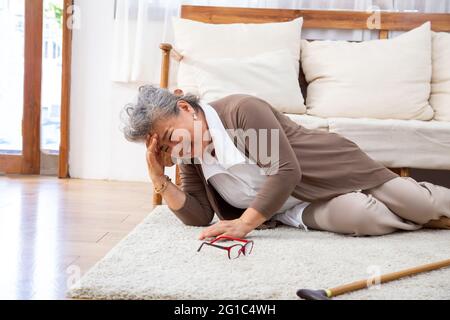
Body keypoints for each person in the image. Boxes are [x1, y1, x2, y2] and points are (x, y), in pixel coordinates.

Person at [122, 85, 450, 240]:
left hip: (331, 169)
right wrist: (158, 178)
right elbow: (199, 216)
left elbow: (285, 170)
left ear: (186, 108)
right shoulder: (190, 153)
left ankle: (420, 208)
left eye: (169, 135)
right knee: (365, 218)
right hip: (292, 208)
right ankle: (424, 220)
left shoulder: (239, 110)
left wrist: (244, 224)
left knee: (418, 203)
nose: (172, 148)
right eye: (163, 146)